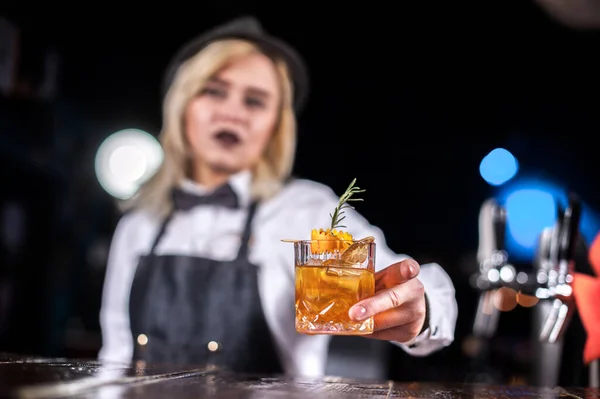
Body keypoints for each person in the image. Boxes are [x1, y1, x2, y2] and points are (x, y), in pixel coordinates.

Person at [98, 15, 458, 377]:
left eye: (254, 101)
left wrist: (419, 306)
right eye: (213, 90)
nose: (232, 112)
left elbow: (421, 287)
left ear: (275, 126)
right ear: (182, 105)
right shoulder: (138, 224)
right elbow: (115, 358)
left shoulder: (306, 210)